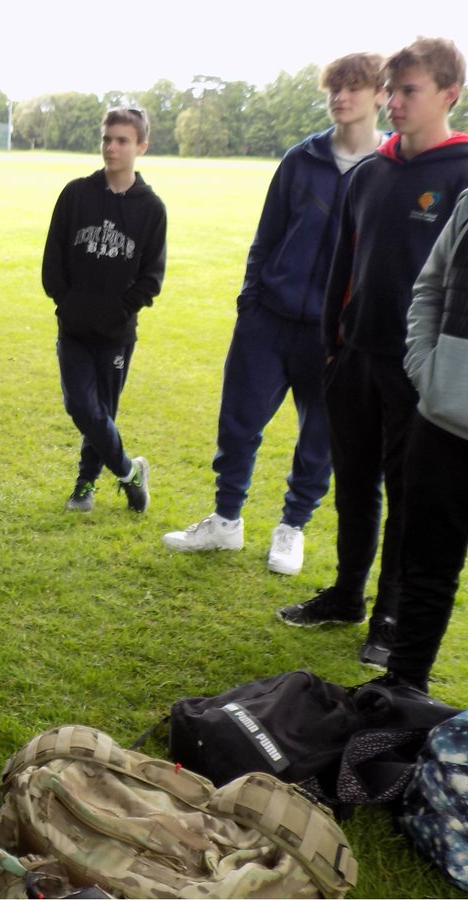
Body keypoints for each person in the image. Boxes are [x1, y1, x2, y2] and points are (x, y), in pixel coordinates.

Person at [275, 38, 468, 671]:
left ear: (450, 95)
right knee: (354, 487)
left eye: (410, 91)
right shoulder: (370, 173)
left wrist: (429, 367)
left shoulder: (460, 174)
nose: (395, 103)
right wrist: (333, 348)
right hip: (353, 358)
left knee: (410, 498)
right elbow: (341, 268)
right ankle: (346, 595)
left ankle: (389, 620)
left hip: (420, 373)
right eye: (392, 90)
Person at [163, 54, 386, 575]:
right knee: (237, 425)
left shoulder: (386, 172)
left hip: (335, 334)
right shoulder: (300, 159)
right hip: (268, 320)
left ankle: (292, 528)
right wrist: (250, 301)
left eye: (353, 87)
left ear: (380, 95)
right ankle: (226, 522)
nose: (340, 97)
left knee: (319, 437)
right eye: (334, 87)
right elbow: (266, 237)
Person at [42, 107, 167, 514]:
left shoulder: (151, 208)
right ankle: (130, 472)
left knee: (102, 414)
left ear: (141, 147)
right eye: (107, 139)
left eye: (122, 140)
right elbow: (53, 257)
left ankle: (84, 485)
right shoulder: (76, 194)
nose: (111, 148)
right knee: (81, 406)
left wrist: (120, 311)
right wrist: (67, 302)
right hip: (74, 328)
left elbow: (152, 277)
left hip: (116, 334)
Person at [374, 187, 468, 694]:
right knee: (426, 570)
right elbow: (430, 288)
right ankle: (402, 695)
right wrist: (424, 370)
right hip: (442, 420)